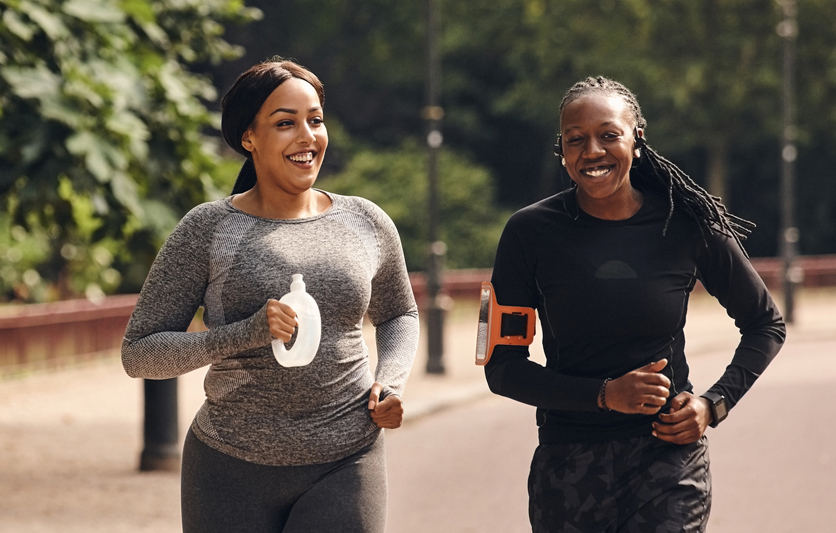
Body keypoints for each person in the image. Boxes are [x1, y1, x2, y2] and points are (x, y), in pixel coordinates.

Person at [121, 58, 419, 533]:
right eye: (286, 123)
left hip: (347, 458)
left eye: (315, 120)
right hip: (228, 468)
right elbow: (140, 355)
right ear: (249, 138)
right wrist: (246, 333)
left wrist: (392, 381)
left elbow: (399, 312)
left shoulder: (365, 221)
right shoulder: (208, 228)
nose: (307, 137)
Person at [483, 76, 786, 532]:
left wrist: (712, 405)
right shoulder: (529, 234)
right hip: (569, 467)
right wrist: (604, 395)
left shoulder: (684, 222)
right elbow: (502, 368)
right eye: (576, 140)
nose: (593, 151)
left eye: (609, 135)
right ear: (561, 151)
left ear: (636, 141)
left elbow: (766, 324)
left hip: (667, 461)